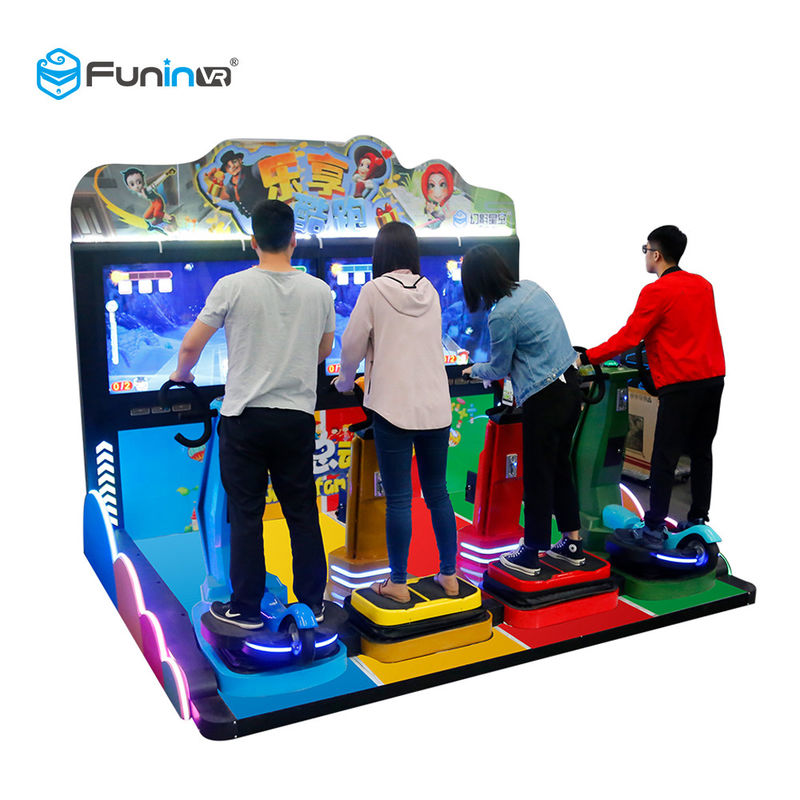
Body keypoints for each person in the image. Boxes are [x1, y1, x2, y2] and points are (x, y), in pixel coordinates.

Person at [169, 199, 335, 629]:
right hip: (296, 418)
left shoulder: (232, 286)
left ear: (253, 241)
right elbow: (323, 348)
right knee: (302, 511)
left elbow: (191, 345)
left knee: (246, 514)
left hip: (244, 419)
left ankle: (245, 608)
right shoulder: (319, 290)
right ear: (294, 240)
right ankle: (314, 603)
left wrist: (182, 374)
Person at [334, 221, 459, 602]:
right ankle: (450, 576)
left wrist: (345, 381)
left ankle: (399, 583)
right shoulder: (430, 290)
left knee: (399, 498)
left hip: (392, 406)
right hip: (436, 406)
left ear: (381, 254)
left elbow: (351, 344)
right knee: (438, 492)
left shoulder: (373, 290)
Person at [583, 225, 725, 547]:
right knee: (701, 451)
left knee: (664, 456)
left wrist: (587, 357)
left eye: (646, 249)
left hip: (681, 383)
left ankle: (654, 528)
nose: (645, 255)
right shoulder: (703, 285)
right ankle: (698, 518)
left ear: (657, 254)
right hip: (713, 378)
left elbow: (629, 337)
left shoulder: (656, 291)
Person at [461, 245, 584, 576]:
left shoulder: (501, 315)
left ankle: (531, 553)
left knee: (538, 475)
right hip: (571, 387)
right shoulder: (532, 288)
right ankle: (572, 543)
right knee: (560, 467)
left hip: (544, 398)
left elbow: (499, 366)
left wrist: (473, 370)